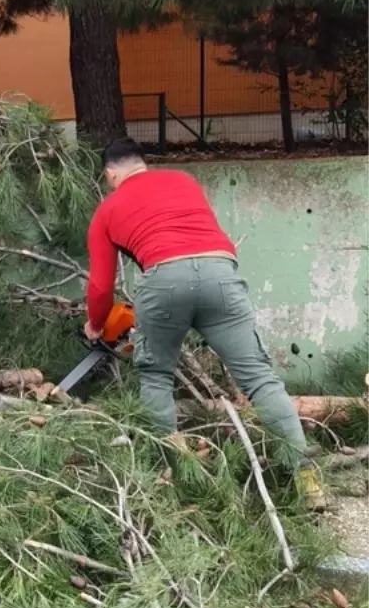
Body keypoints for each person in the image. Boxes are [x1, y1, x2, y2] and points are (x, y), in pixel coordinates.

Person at [85, 138, 324, 509]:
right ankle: (306, 480)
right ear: (143, 163)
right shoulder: (184, 181)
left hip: (162, 280)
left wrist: (96, 324)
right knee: (260, 379)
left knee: (156, 377)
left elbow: (100, 284)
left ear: (110, 173)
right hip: (220, 273)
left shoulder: (108, 208)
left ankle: (173, 480)